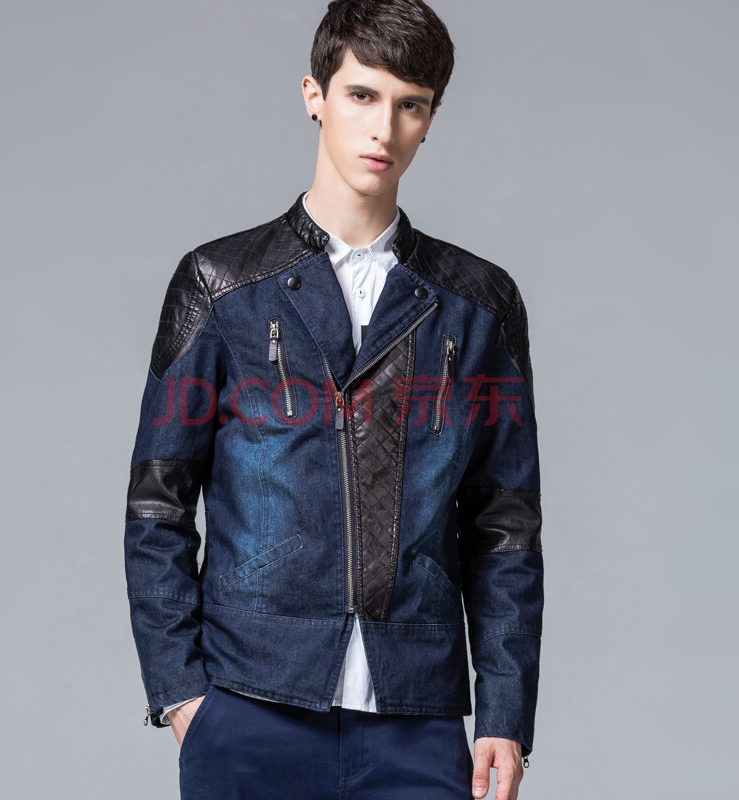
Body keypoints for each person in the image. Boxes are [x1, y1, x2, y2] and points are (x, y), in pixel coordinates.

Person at [123, 1, 544, 798]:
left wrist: (504, 711)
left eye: (410, 104)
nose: (383, 127)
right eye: (361, 95)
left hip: (418, 718)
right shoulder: (220, 287)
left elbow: (505, 521)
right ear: (314, 95)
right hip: (248, 708)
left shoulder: (478, 304)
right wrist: (183, 697)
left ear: (430, 119)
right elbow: (158, 503)